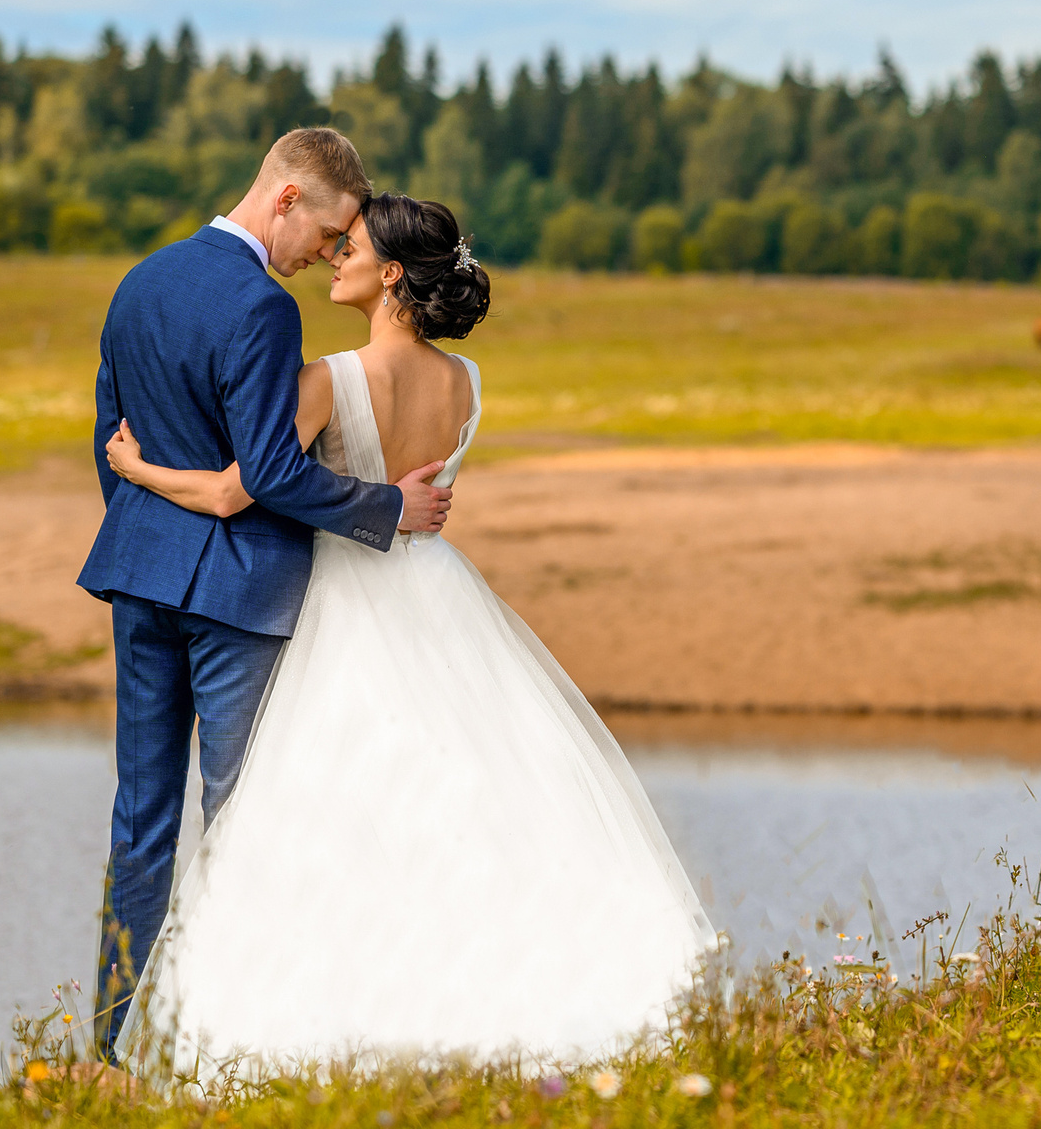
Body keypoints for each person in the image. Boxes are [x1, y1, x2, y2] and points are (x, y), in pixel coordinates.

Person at [103, 193, 713, 1075]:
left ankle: (302, 1023)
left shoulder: (326, 380)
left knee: (331, 805)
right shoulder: (466, 387)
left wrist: (137, 468)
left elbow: (240, 493)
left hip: (344, 597)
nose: (333, 257)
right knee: (459, 797)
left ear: (391, 274)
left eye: (350, 247)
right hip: (439, 595)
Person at [78, 129, 453, 1061]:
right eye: (325, 234)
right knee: (240, 814)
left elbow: (108, 443)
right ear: (285, 199)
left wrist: (151, 540)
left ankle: (110, 1046)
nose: (325, 255)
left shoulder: (140, 280)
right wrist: (387, 509)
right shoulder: (260, 306)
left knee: (140, 819)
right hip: (239, 597)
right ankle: (224, 1049)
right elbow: (276, 474)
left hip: (140, 578)